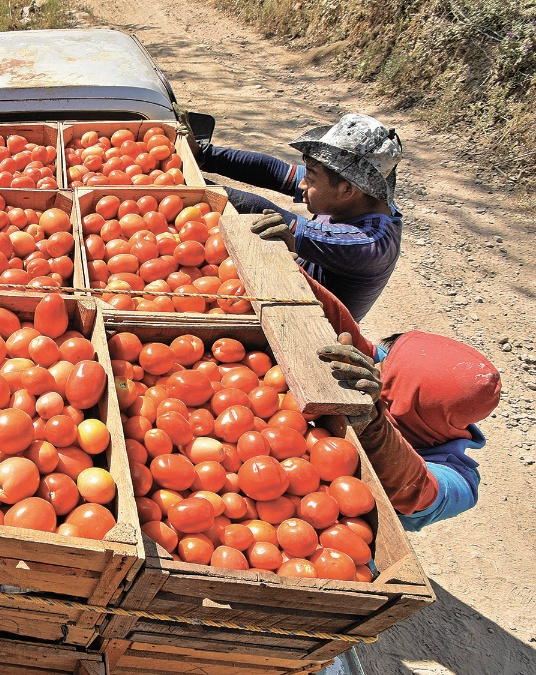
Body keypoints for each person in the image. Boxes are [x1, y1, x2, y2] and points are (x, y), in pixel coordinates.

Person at [308, 275, 501, 530]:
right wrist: (296, 276)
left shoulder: (460, 483)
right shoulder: (401, 377)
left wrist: (373, 422)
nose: (375, 365)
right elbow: (353, 339)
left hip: (334, 528)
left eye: (383, 371)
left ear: (403, 400)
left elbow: (415, 490)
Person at [197, 113, 404, 322]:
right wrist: (204, 154)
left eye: (310, 177)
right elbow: (273, 171)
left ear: (347, 189)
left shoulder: (369, 243)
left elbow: (270, 217)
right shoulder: (359, 198)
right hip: (286, 289)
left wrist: (198, 189)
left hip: (308, 326)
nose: (302, 184)